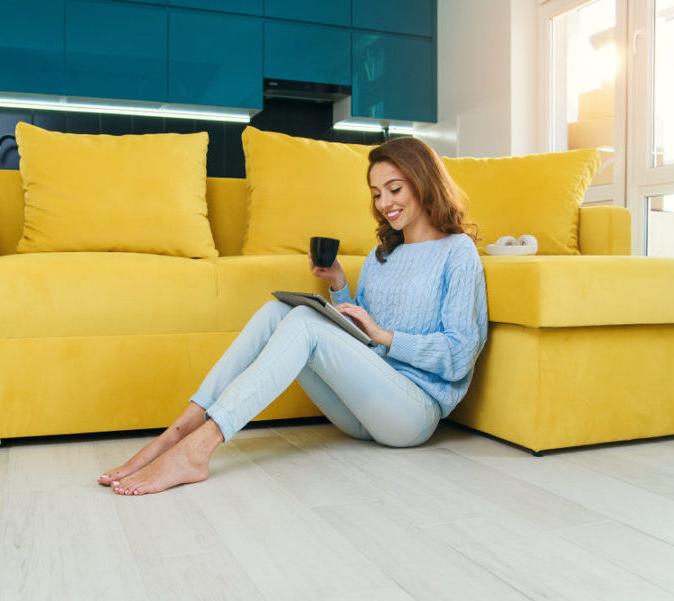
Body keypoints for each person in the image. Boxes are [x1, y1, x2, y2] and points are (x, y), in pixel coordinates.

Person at [97, 136, 489, 496]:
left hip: (412, 414)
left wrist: (385, 336)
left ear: (423, 182)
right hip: (362, 411)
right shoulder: (380, 256)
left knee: (302, 324)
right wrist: (339, 286)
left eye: (395, 189)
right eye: (376, 194)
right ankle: (176, 434)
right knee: (277, 311)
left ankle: (199, 448)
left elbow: (459, 355)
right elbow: (359, 337)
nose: (385, 204)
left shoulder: (457, 252)